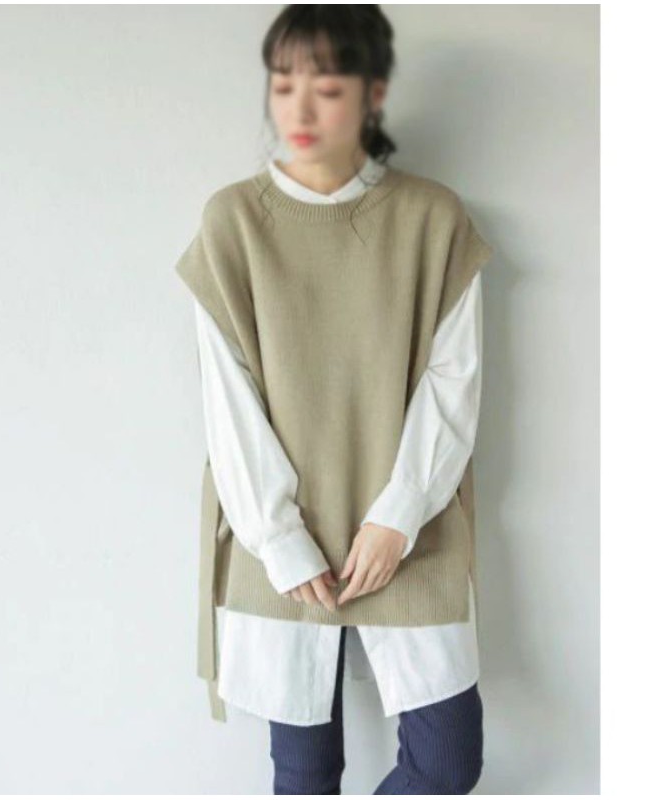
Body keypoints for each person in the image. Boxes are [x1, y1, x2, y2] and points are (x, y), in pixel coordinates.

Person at [175, 5, 493, 794]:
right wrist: (279, 537)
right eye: (284, 84)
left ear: (373, 93)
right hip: (281, 538)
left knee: (446, 763)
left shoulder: (432, 218)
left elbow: (454, 381)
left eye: (326, 86)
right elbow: (228, 400)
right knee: (305, 775)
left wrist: (399, 513)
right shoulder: (234, 222)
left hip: (411, 531)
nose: (300, 108)